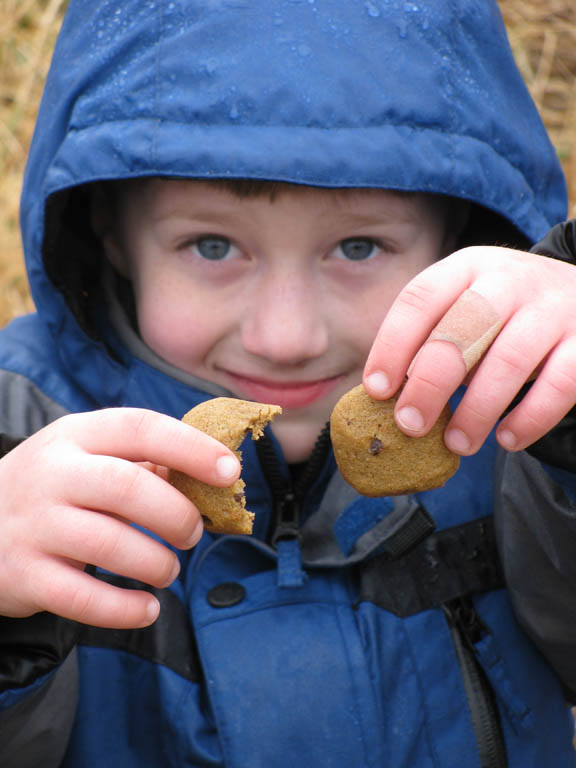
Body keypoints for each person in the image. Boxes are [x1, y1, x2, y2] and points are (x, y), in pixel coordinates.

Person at [0, 0, 575, 765]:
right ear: (108, 232)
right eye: (212, 245)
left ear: (459, 235)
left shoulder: (525, 430)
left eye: (360, 246)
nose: (286, 337)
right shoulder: (16, 432)